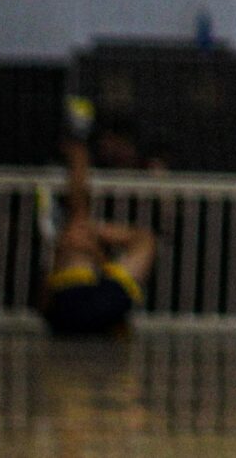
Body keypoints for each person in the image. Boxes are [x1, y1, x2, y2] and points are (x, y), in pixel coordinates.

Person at [40, 120, 158, 338]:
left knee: (80, 230)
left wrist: (93, 238)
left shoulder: (77, 250)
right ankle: (78, 154)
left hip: (79, 300)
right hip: (78, 297)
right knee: (81, 230)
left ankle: (78, 153)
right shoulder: (76, 254)